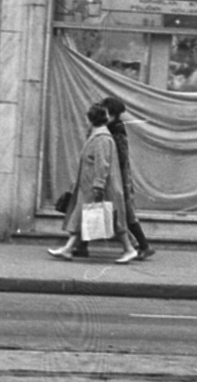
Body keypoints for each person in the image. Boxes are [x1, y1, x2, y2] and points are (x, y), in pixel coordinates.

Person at [48, 102, 139, 263]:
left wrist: (99, 185)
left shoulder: (102, 138)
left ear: (91, 120)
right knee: (82, 217)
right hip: (90, 187)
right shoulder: (98, 137)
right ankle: (68, 249)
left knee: (114, 220)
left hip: (100, 188)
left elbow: (102, 163)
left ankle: (129, 249)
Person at [100, 95, 156, 261]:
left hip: (119, 175)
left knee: (126, 211)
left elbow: (121, 155)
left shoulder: (117, 129)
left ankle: (144, 245)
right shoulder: (113, 127)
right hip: (117, 174)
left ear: (113, 113)